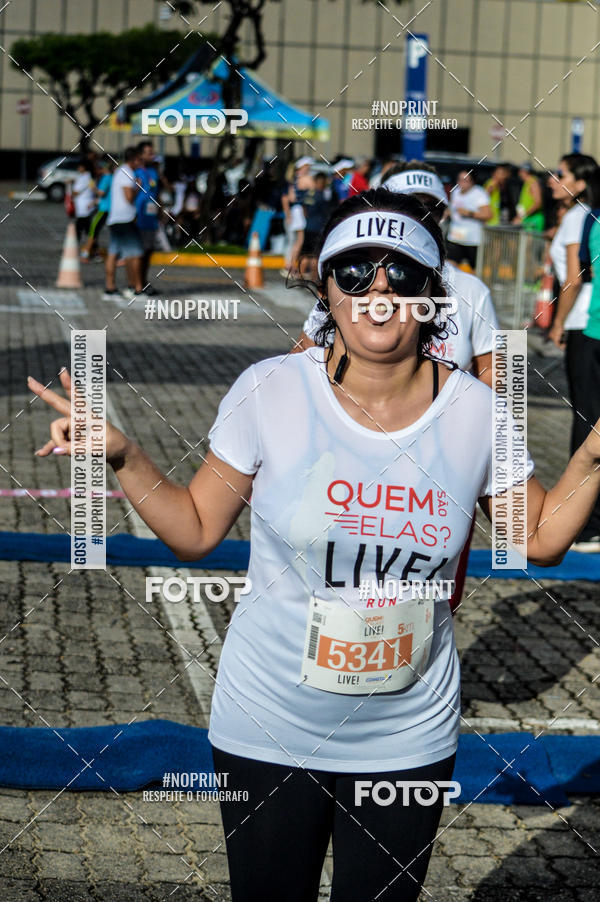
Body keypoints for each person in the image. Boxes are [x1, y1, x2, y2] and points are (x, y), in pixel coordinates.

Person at [29, 187, 600, 902]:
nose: (378, 293)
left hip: (407, 738)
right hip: (268, 725)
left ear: (434, 295)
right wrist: (123, 455)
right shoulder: (269, 389)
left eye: (402, 274)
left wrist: (592, 455)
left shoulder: (478, 413)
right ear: (325, 288)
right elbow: (195, 530)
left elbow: (537, 541)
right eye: (355, 272)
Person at [546, 153, 598, 540]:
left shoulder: (578, 217)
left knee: (586, 420)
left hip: (584, 322)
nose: (552, 179)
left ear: (580, 182)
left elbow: (575, 278)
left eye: (560, 173)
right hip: (586, 320)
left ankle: (585, 520)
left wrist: (558, 322)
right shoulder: (579, 216)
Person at [574, 167, 600, 550]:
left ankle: (591, 524)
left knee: (589, 426)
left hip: (594, 331)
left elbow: (586, 269)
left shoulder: (593, 217)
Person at [102, 146, 145, 302]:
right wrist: (138, 187)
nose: (141, 162)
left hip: (115, 218)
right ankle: (137, 289)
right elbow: (129, 198)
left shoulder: (120, 171)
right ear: (134, 159)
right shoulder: (128, 173)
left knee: (113, 253)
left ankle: (110, 288)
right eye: (139, 159)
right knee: (136, 253)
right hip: (125, 219)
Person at [131, 140, 161, 297]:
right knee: (139, 253)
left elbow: (156, 194)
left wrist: (161, 212)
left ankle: (143, 281)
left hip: (151, 219)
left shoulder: (153, 172)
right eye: (149, 153)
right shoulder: (135, 172)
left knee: (148, 251)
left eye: (152, 152)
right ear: (140, 155)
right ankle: (135, 283)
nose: (152, 155)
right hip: (139, 217)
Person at [447, 170, 492, 270]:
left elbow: (488, 214)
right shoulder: (456, 192)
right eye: (459, 180)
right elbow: (453, 209)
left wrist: (469, 213)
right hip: (455, 236)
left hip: (472, 240)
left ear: (472, 182)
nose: (461, 183)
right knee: (450, 266)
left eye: (465, 181)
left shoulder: (479, 193)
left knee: (474, 269)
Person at [81, 158, 113, 261]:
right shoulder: (111, 177)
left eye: (98, 169)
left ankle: (86, 253)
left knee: (93, 230)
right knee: (96, 231)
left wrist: (92, 187)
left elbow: (101, 193)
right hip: (107, 208)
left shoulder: (106, 178)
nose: (96, 171)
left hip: (104, 209)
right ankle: (96, 253)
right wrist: (93, 203)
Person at [71, 158, 96, 247]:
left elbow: (75, 192)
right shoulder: (90, 177)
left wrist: (70, 192)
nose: (78, 168)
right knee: (85, 227)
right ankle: (92, 246)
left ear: (84, 167)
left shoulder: (83, 178)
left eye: (79, 166)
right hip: (87, 205)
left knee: (82, 227)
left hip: (83, 206)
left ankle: (91, 247)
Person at [513, 163, 544, 231]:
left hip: (533, 221)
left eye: (520, 171)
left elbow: (538, 203)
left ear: (524, 172)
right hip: (528, 220)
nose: (519, 173)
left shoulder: (533, 183)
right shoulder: (527, 183)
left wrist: (522, 216)